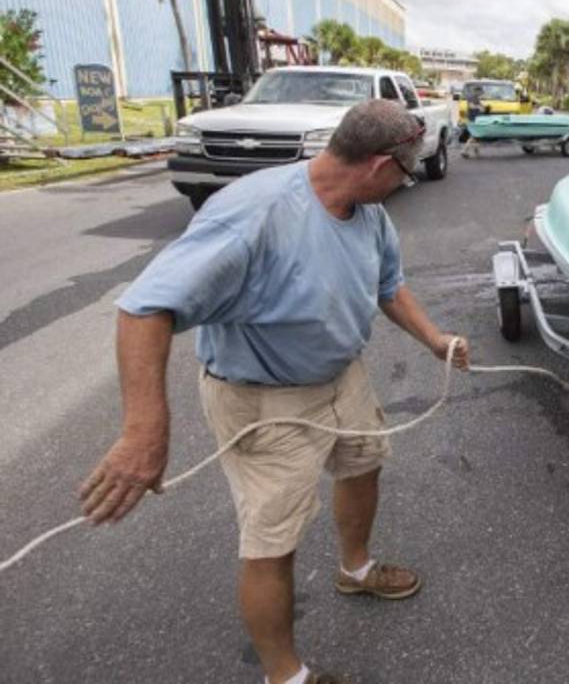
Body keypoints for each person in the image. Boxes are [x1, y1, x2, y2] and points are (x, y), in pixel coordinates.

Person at [78, 100, 471, 684]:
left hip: (342, 376)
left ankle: (355, 568)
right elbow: (143, 309)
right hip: (265, 404)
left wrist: (435, 341)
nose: (403, 185)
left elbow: (389, 286)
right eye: (405, 173)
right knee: (273, 539)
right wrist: (143, 432)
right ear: (379, 165)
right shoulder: (253, 216)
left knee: (364, 466)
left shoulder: (368, 214)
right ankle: (286, 676)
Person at [461, 83, 484, 158]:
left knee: (476, 136)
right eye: (480, 91)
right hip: (472, 119)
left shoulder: (476, 98)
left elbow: (481, 106)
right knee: (473, 136)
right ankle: (464, 151)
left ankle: (477, 152)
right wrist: (479, 107)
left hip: (476, 119)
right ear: (477, 91)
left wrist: (482, 107)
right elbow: (471, 106)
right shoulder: (471, 97)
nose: (481, 93)